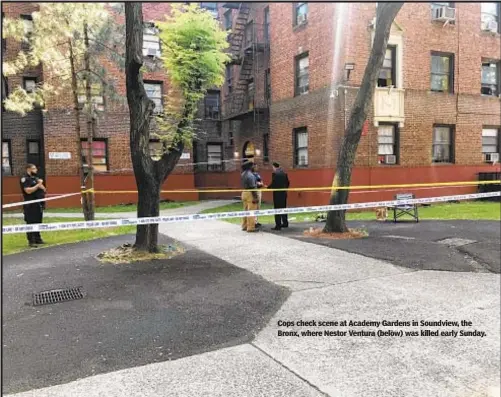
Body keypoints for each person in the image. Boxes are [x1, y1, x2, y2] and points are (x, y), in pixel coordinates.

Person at [20, 164, 46, 247]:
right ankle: (31, 240)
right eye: (34, 169)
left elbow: (44, 189)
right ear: (28, 169)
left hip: (38, 204)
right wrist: (38, 185)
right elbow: (28, 191)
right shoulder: (25, 179)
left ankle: (38, 238)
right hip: (30, 204)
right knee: (30, 221)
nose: (36, 170)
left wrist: (40, 183)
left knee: (38, 221)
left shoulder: (35, 178)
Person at [267, 162, 290, 231]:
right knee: (283, 208)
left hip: (277, 194)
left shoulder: (275, 174)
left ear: (274, 167)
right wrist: (285, 188)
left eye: (272, 167)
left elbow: (274, 183)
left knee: (277, 209)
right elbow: (288, 182)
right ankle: (285, 223)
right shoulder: (284, 173)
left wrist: (268, 187)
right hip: (283, 193)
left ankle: (278, 225)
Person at [240, 160, 260, 232]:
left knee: (245, 210)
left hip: (244, 192)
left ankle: (244, 226)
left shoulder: (242, 174)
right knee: (251, 211)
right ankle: (251, 227)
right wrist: (255, 197)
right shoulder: (250, 175)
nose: (254, 167)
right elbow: (252, 187)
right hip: (250, 193)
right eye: (253, 165)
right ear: (250, 166)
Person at [252, 163, 263, 227]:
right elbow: (254, 183)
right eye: (255, 167)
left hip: (259, 190)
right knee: (254, 206)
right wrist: (258, 184)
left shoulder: (258, 175)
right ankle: (253, 221)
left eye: (256, 166)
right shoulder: (251, 175)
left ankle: (256, 220)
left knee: (258, 206)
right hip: (255, 191)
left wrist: (261, 183)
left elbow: (261, 181)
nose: (256, 168)